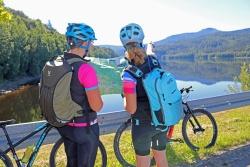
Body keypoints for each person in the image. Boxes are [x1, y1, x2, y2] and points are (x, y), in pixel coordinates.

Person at [119, 23, 169, 167]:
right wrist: (150, 45)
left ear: (124, 47)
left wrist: (124, 98)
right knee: (162, 161)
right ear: (141, 41)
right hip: (160, 121)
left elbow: (131, 109)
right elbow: (149, 50)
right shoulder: (154, 61)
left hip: (142, 127)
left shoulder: (128, 74)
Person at [57, 23, 103, 167]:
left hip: (65, 126)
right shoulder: (85, 69)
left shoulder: (58, 63)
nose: (92, 45)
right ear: (85, 43)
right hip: (85, 130)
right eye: (91, 41)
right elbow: (96, 106)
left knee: (72, 163)